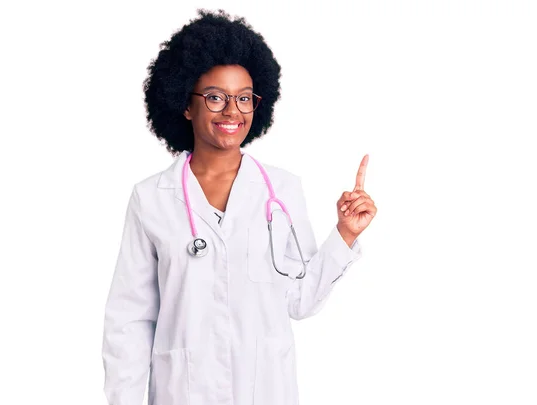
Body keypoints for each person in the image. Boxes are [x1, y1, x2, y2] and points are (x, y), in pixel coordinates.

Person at [102, 9, 377, 405]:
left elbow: (299, 301)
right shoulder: (152, 198)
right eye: (215, 97)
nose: (233, 111)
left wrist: (346, 234)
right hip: (184, 393)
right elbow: (129, 320)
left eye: (244, 98)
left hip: (265, 390)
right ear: (184, 104)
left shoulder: (281, 190)